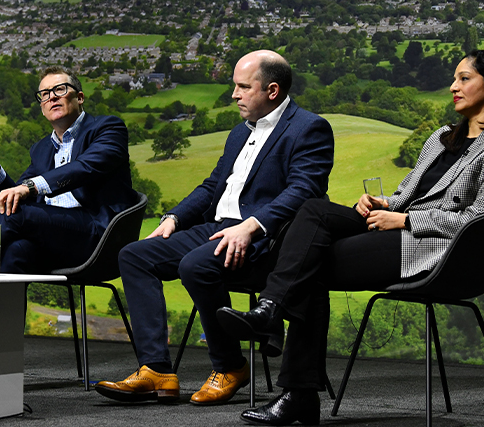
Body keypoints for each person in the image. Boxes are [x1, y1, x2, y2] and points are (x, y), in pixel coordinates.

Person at [216, 49, 484, 425]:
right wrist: (383, 204)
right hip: (400, 227)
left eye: (464, 79)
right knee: (314, 210)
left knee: (309, 262)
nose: (453, 86)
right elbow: (407, 195)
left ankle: (290, 368)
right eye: (454, 78)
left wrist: (404, 220)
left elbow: (477, 220)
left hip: (440, 251)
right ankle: (273, 318)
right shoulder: (441, 138)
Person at [95, 50, 335, 405]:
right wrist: (174, 218)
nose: (234, 95)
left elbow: (304, 191)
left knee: (196, 265)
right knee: (134, 256)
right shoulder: (239, 133)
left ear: (272, 90)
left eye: (243, 87)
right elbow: (212, 187)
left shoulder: (309, 128)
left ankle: (230, 366)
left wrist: (251, 227)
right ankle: (156, 370)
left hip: (263, 239)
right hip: (217, 227)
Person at [0, 66, 136, 273]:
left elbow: (85, 168)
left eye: (60, 89)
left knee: (13, 215)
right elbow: (16, 194)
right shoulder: (41, 149)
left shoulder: (108, 128)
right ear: (42, 108)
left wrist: (30, 187)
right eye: (45, 94)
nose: (52, 97)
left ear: (79, 97)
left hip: (99, 236)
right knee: (16, 250)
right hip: (53, 234)